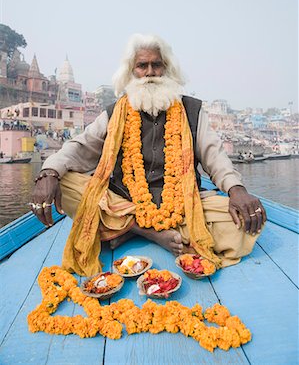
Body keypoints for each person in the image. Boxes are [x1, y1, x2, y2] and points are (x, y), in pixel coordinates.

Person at [30, 34, 266, 276]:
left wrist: (236, 190)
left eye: (157, 64)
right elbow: (80, 147)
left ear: (167, 68)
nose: (150, 72)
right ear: (132, 71)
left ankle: (122, 230)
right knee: (66, 182)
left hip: (184, 204)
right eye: (143, 65)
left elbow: (214, 155)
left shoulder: (191, 110)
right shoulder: (115, 112)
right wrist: (49, 173)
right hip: (126, 203)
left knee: (243, 228)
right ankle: (145, 231)